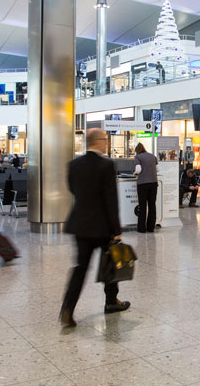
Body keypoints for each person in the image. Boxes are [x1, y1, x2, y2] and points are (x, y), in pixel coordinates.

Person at [60, 128, 130, 328]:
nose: (106, 143)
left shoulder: (74, 165)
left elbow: (72, 189)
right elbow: (110, 199)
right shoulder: (106, 165)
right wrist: (116, 230)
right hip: (102, 226)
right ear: (98, 141)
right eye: (105, 140)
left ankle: (67, 308)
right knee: (110, 263)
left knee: (80, 268)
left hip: (80, 223)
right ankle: (111, 302)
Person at [133, 142, 158, 233]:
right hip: (153, 183)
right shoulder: (152, 156)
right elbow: (158, 169)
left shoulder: (138, 157)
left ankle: (141, 228)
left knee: (142, 206)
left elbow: (138, 170)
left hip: (143, 184)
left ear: (137, 151)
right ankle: (151, 227)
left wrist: (135, 172)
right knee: (152, 205)